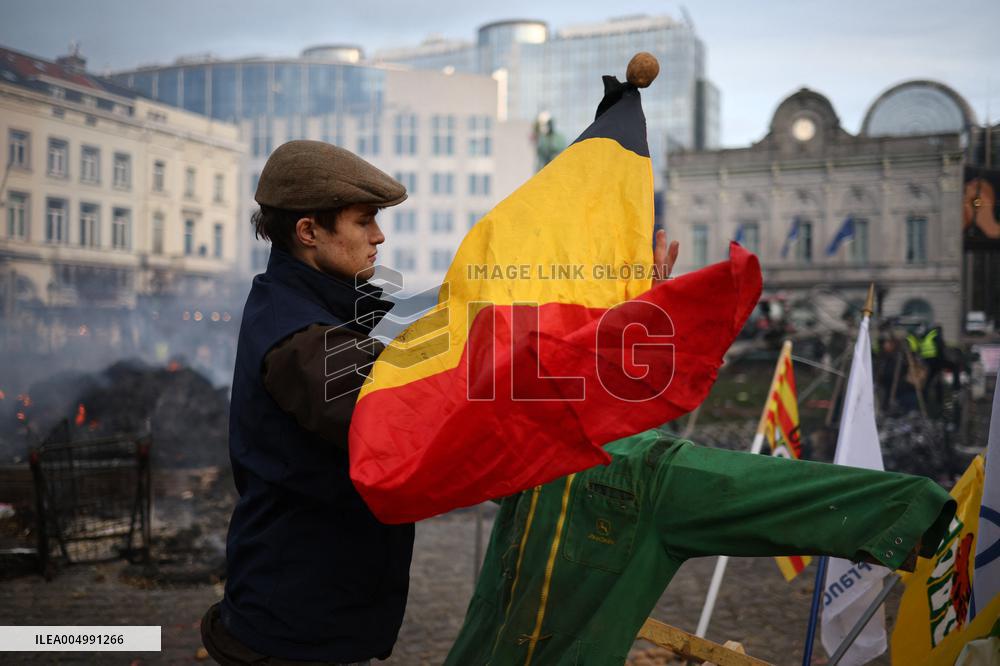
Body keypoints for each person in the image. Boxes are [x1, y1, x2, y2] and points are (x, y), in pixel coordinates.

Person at [444, 429, 957, 665]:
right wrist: (906, 510)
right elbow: (758, 489)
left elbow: (764, 489)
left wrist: (906, 512)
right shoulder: (643, 468)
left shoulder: (523, 436)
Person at [201, 140, 413, 665]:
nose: (379, 236)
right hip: (294, 631)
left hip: (316, 616)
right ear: (309, 232)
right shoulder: (300, 336)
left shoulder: (334, 305)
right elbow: (411, 421)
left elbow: (444, 333)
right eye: (364, 221)